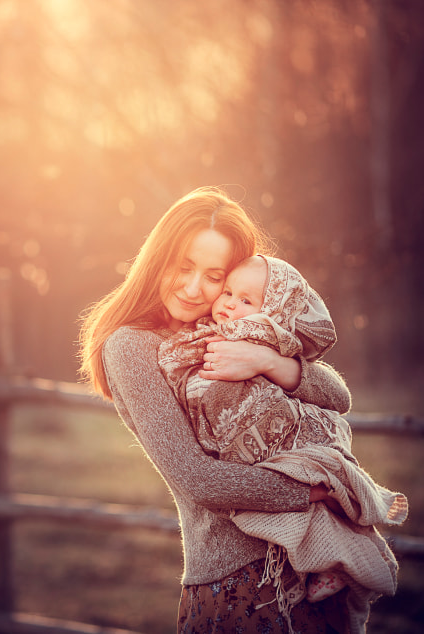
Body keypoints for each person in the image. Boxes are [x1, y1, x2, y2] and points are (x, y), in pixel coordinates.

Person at [78, 186, 355, 633]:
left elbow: (337, 396)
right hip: (240, 584)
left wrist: (268, 361)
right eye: (183, 266)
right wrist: (314, 491)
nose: (193, 288)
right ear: (158, 258)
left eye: (213, 276)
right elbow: (198, 479)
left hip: (312, 568)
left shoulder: (232, 325)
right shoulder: (132, 346)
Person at [157, 254, 407, 633]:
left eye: (246, 301)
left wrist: (265, 360)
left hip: (298, 447)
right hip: (249, 494)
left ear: (271, 311)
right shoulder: (199, 332)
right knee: (309, 514)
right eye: (228, 293)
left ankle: (336, 566)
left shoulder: (273, 340)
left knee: (326, 517)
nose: (230, 304)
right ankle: (325, 567)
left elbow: (338, 397)